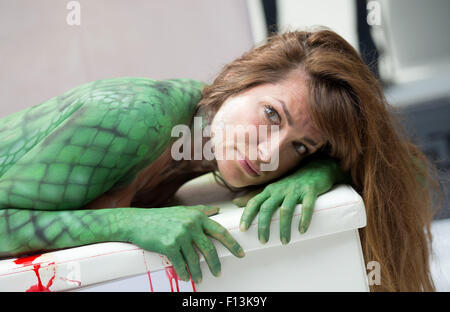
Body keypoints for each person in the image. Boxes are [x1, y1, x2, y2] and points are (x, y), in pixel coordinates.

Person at [0, 27, 440, 292]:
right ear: (236, 79)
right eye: (271, 115)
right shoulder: (136, 116)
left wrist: (319, 172)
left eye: (300, 146)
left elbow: (407, 172)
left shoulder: (194, 146)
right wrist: (126, 224)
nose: (270, 155)